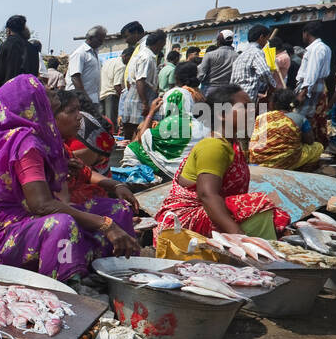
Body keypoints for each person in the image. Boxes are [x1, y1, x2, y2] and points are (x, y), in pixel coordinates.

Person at [0, 76, 138, 282]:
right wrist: (105, 225)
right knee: (62, 224)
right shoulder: (25, 142)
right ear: (31, 102)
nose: (51, 90)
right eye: (44, 88)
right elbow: (41, 205)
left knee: (118, 210)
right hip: (2, 233)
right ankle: (63, 283)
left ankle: (114, 274)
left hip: (29, 223)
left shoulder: (45, 138)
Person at [155, 85, 290, 239]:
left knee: (274, 213)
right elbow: (207, 195)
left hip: (207, 212)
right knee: (258, 203)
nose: (253, 112)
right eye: (245, 108)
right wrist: (239, 237)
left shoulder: (231, 144)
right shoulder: (214, 146)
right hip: (183, 223)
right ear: (222, 114)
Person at [52, 91, 139, 212]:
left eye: (78, 110)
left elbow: (86, 171)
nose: (79, 116)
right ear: (51, 116)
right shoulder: (43, 148)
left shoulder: (62, 146)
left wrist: (117, 185)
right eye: (71, 111)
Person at [121, 77, 209, 181]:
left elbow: (141, 138)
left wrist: (151, 112)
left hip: (169, 173)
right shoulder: (202, 125)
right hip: (193, 173)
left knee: (133, 147)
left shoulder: (168, 124)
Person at [0, 15, 38, 126]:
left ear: (8, 30)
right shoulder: (33, 50)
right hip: (26, 101)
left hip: (5, 100)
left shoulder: (4, 47)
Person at [248, 88, 324, 170]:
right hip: (285, 161)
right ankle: (302, 171)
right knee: (318, 147)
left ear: (273, 104)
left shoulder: (261, 117)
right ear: (292, 104)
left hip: (257, 159)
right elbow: (310, 141)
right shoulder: (300, 119)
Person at [118, 29, 165, 137]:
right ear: (159, 42)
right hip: (139, 98)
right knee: (138, 129)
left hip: (138, 96)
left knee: (135, 130)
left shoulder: (145, 55)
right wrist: (144, 103)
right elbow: (140, 80)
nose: (162, 47)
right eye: (163, 44)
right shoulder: (146, 57)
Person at [295, 21, 333, 150]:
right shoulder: (324, 48)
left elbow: (312, 71)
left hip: (311, 85)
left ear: (306, 33)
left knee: (303, 117)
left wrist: (303, 92)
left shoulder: (316, 49)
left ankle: (307, 147)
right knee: (314, 117)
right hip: (316, 84)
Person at [232, 24, 276, 104]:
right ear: (261, 37)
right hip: (248, 97)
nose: (267, 43)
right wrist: (273, 87)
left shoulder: (241, 56)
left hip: (236, 98)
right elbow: (264, 72)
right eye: (267, 39)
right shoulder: (257, 52)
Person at [66, 25, 106, 113]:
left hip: (92, 99)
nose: (101, 43)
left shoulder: (94, 53)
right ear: (90, 38)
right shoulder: (80, 53)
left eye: (103, 40)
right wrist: (84, 98)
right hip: (80, 100)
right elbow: (75, 77)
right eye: (99, 40)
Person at [197, 30, 236, 97]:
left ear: (219, 41)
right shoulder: (237, 56)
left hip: (208, 91)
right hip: (226, 92)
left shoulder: (209, 55)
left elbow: (200, 75)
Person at [99, 48, 125, 129]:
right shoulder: (121, 65)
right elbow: (117, 85)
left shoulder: (108, 61)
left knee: (102, 123)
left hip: (101, 93)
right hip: (111, 95)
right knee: (111, 123)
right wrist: (123, 100)